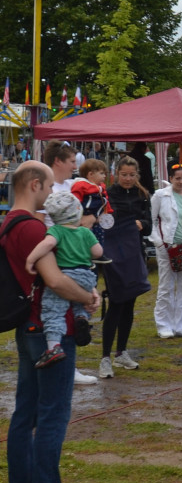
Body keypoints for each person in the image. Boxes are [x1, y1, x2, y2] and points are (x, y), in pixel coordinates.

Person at [5, 161, 101, 483]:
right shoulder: (33, 229)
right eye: (48, 187)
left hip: (27, 326)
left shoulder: (9, 222)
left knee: (27, 410)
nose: (51, 193)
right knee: (53, 413)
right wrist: (89, 297)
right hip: (51, 327)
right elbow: (56, 281)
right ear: (34, 185)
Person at [23, 192, 103, 368]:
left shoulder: (56, 231)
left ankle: (53, 347)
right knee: (79, 304)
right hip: (86, 277)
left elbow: (48, 244)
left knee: (53, 310)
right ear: (78, 211)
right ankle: (81, 319)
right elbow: (98, 252)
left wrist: (31, 259)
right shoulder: (84, 232)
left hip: (67, 275)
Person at [44, 141, 100, 386]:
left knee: (76, 310)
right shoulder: (49, 188)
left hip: (76, 255)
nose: (74, 167)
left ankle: (70, 363)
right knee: (57, 307)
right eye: (71, 162)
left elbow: (91, 212)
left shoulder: (72, 186)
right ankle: (62, 359)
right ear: (58, 161)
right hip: (56, 253)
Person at [98, 156, 152, 378]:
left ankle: (121, 352)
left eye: (132, 175)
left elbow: (149, 224)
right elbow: (100, 222)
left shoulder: (143, 194)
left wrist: (142, 224)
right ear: (116, 174)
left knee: (129, 303)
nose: (128, 179)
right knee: (116, 303)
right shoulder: (106, 194)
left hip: (134, 252)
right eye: (124, 175)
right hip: (113, 255)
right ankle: (105, 358)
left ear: (137, 175)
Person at [149, 163, 182, 339]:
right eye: (177, 178)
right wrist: (158, 242)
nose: (180, 181)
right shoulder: (160, 195)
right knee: (166, 286)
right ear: (170, 179)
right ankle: (164, 325)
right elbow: (153, 221)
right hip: (168, 246)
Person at [70, 159, 114, 247]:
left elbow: (105, 200)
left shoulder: (101, 188)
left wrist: (108, 211)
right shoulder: (81, 185)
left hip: (97, 216)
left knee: (99, 234)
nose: (105, 176)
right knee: (86, 235)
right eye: (101, 173)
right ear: (90, 174)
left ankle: (98, 251)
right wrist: (77, 212)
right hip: (84, 213)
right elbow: (75, 199)